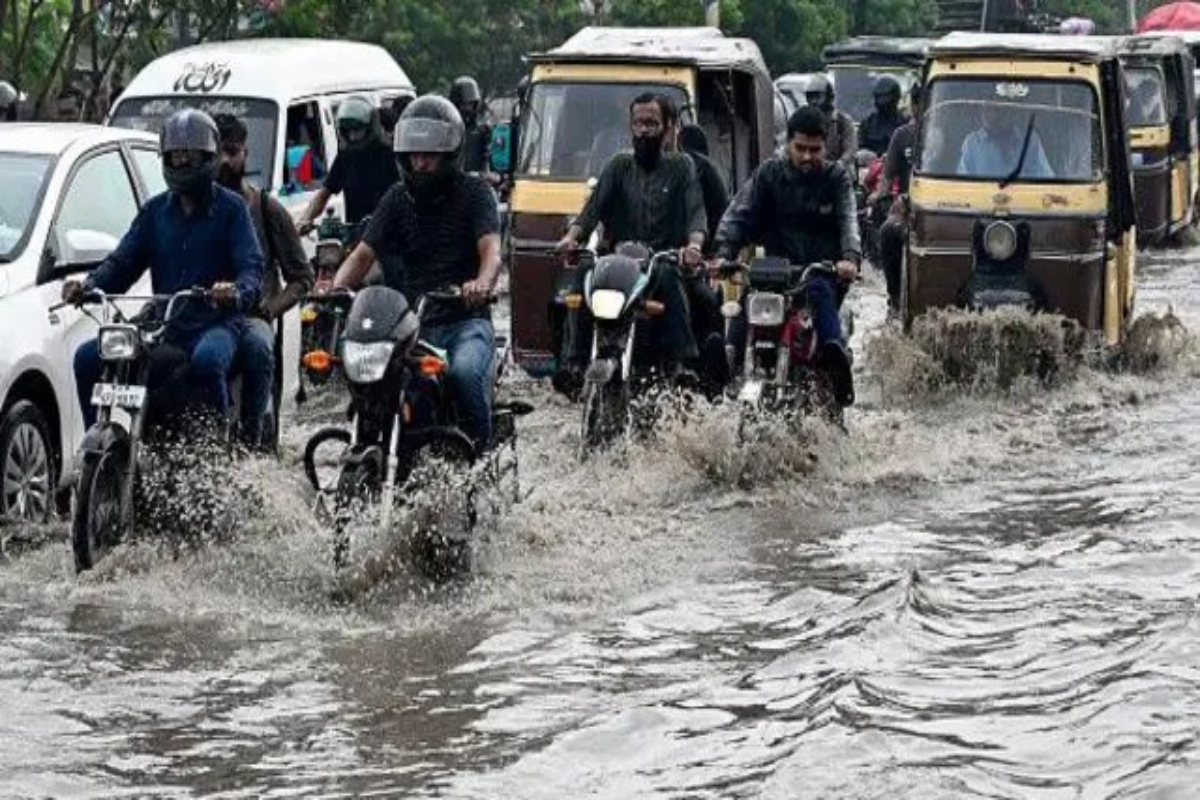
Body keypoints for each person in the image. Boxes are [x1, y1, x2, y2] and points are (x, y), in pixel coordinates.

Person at [64, 109, 263, 430]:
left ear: (209, 157)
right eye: (175, 156)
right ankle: (96, 439)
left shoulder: (232, 209)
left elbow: (251, 267)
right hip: (163, 325)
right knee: (87, 357)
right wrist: (88, 285)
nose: (182, 163)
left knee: (208, 359)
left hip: (216, 322)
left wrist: (235, 291)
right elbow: (122, 263)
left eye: (190, 156)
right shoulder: (154, 212)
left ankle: (215, 443)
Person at [332, 95, 501, 453]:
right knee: (373, 377)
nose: (420, 163)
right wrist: (333, 290)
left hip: (465, 323)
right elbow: (362, 255)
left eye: (430, 155)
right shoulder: (396, 198)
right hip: (412, 327)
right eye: (414, 155)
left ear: (450, 153)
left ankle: (481, 461)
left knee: (465, 374)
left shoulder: (476, 193)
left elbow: (491, 251)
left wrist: (481, 284)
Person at [554, 92, 708, 386]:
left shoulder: (682, 166)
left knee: (669, 273)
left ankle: (680, 363)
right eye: (638, 123)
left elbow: (696, 213)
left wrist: (693, 246)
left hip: (660, 261)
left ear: (667, 127)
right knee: (585, 268)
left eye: (652, 123)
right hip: (618, 262)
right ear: (630, 126)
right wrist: (571, 239)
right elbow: (591, 211)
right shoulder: (618, 166)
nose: (644, 130)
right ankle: (574, 361)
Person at [716, 106, 860, 407]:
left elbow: (849, 220)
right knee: (745, 301)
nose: (807, 156)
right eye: (800, 148)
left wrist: (849, 257)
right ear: (788, 144)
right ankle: (725, 369)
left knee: (820, 293)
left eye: (814, 150)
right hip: (773, 273)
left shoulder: (836, 178)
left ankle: (834, 364)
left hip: (821, 272)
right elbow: (739, 214)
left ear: (825, 147)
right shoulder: (768, 174)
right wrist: (724, 253)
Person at [214, 113, 315, 449]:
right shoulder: (195, 209)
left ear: (245, 153)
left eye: (232, 152)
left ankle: (255, 443)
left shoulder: (267, 209)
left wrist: (269, 309)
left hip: (253, 321)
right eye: (217, 153)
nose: (224, 161)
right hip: (206, 322)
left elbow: (302, 277)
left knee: (258, 356)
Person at [297, 96, 400, 235]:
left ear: (370, 127)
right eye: (348, 131)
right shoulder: (346, 156)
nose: (353, 136)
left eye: (357, 130)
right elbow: (324, 194)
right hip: (356, 234)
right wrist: (305, 219)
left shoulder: (390, 155)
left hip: (389, 235)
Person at [873, 82, 922, 313]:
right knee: (888, 232)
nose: (922, 108)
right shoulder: (902, 135)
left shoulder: (952, 133)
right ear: (912, 104)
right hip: (907, 206)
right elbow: (886, 176)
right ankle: (895, 298)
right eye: (918, 102)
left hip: (942, 206)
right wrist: (881, 198)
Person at [958, 103, 1054, 180]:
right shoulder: (972, 143)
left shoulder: (1030, 140)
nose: (988, 115)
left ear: (1009, 111)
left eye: (996, 109)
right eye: (985, 108)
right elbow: (962, 186)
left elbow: (1047, 181)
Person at [805, 75, 857, 170]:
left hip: (835, 170)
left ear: (829, 97)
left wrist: (839, 164)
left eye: (818, 97)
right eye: (810, 97)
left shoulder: (842, 121)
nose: (814, 101)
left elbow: (851, 150)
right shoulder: (805, 121)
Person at [859, 75, 908, 157]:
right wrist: (866, 154)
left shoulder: (904, 123)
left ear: (895, 97)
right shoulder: (868, 123)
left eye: (886, 98)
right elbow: (859, 147)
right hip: (871, 163)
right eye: (879, 97)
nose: (882, 102)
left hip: (896, 162)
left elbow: (909, 150)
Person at [450, 76, 490, 174]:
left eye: (470, 104)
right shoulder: (447, 130)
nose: (467, 109)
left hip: (476, 180)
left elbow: (489, 158)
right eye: (463, 104)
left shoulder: (483, 130)